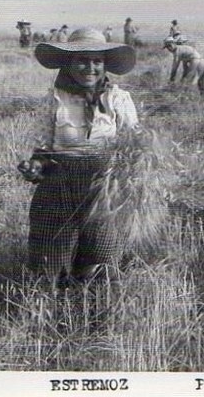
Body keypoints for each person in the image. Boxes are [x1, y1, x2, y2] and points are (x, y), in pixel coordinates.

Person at [17, 27, 139, 287]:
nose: (90, 68)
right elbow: (44, 150)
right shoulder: (54, 99)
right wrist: (35, 166)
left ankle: (93, 314)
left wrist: (127, 178)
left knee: (99, 259)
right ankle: (48, 311)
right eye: (81, 60)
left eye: (97, 61)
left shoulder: (119, 99)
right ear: (68, 64)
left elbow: (134, 146)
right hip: (58, 187)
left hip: (103, 189)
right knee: (49, 262)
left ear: (105, 65)